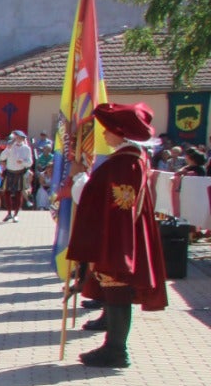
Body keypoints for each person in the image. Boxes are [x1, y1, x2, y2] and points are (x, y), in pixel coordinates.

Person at [67, 103, 168, 369]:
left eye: (108, 130)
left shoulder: (125, 162)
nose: (104, 135)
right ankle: (113, 345)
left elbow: (107, 200)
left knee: (117, 288)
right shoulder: (132, 158)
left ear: (120, 133)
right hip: (121, 230)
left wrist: (79, 178)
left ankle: (116, 350)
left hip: (119, 233)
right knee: (114, 289)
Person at [0, 129, 33, 221]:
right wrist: (8, 149)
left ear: (22, 139)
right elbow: (2, 157)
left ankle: (16, 214)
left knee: (19, 193)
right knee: (7, 192)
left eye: (19, 137)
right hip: (10, 172)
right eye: (16, 137)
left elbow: (30, 163)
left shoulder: (26, 148)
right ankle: (9, 213)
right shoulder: (10, 147)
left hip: (19, 172)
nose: (17, 139)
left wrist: (22, 162)